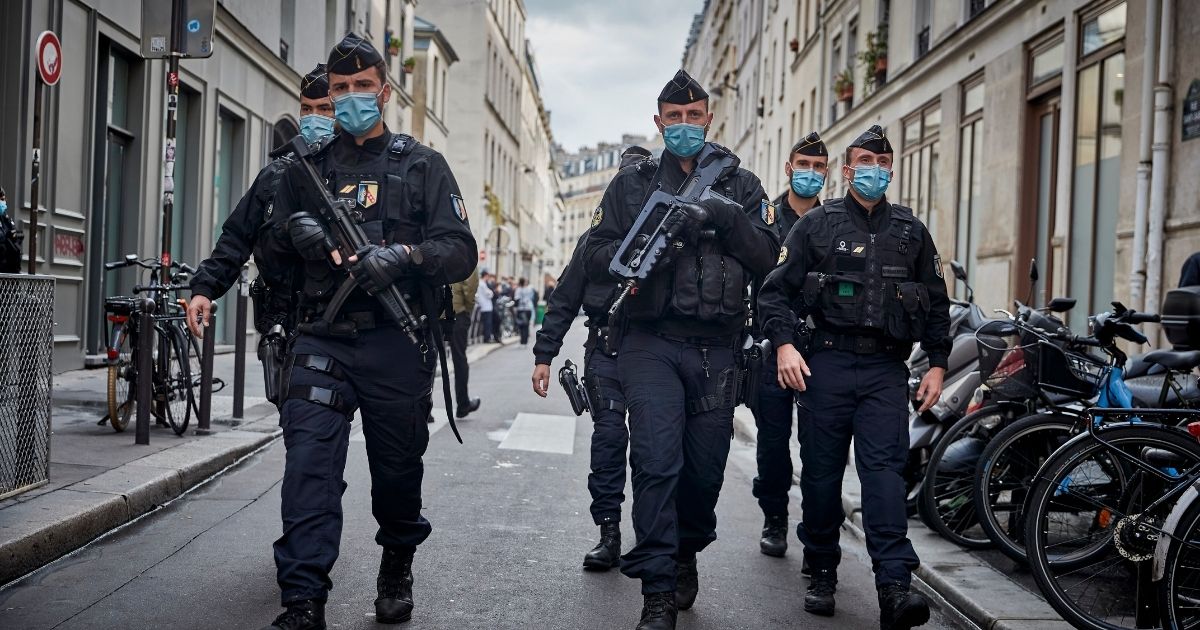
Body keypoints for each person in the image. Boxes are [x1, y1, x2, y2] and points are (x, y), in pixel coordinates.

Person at [251, 33, 477, 630]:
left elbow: (460, 250)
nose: (351, 97)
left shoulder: (422, 164)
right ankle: (303, 599)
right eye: (340, 88)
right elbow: (268, 257)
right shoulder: (303, 168)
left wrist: (403, 256)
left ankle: (396, 561)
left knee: (397, 472)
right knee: (309, 468)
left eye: (361, 87)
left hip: (395, 345)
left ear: (385, 90)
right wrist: (289, 235)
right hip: (321, 337)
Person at [583, 69, 780, 630]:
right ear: (659, 122)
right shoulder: (633, 184)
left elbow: (771, 258)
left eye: (695, 117)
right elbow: (595, 254)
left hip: (718, 350)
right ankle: (657, 593)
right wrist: (647, 245)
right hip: (650, 345)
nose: (685, 127)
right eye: (675, 118)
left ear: (709, 118)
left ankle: (686, 550)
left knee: (702, 475)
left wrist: (724, 215)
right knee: (654, 463)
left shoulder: (740, 184)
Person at [757, 124, 950, 630]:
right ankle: (822, 568)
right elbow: (775, 293)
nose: (874, 171)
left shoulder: (911, 232)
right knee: (820, 477)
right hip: (826, 366)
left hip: (886, 369)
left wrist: (937, 362)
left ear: (891, 170)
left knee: (884, 474)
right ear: (846, 171)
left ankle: (894, 586)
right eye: (865, 161)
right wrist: (784, 347)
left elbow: (936, 300)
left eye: (882, 164)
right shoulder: (816, 225)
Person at [530, 145, 653, 575]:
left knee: (653, 448)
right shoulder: (592, 244)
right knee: (608, 440)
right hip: (604, 350)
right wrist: (545, 354)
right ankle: (608, 532)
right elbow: (563, 300)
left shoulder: (664, 240)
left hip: (649, 355)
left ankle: (651, 535)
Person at [189, 62, 335, 347]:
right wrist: (204, 289)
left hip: (335, 320)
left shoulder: (354, 173)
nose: (313, 117)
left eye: (324, 109)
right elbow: (236, 237)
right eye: (306, 109)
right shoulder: (277, 173)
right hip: (282, 321)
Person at [750, 131, 828, 558]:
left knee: (817, 443)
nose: (810, 174)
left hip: (819, 345)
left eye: (819, 168)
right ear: (788, 168)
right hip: (770, 343)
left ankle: (814, 525)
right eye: (804, 166)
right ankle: (774, 517)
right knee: (773, 441)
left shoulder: (833, 221)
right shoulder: (763, 219)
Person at [449, 270, 482, 418]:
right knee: (459, 359)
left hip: (434, 312)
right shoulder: (465, 250)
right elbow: (470, 286)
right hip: (457, 311)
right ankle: (463, 405)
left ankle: (425, 409)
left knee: (430, 357)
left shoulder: (431, 246)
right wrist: (467, 310)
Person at [0, 187, 23, 274]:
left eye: (4, 199)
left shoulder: (5, 216)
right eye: (1, 199)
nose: (3, 202)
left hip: (11, 269)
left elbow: (16, 233)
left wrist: (14, 235)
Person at [514, 277, 535, 345]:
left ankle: (522, 340)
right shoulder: (529, 289)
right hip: (528, 309)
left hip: (521, 309)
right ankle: (525, 341)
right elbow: (532, 297)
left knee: (521, 325)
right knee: (526, 325)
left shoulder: (518, 290)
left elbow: (516, 299)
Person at [477, 271, 496, 342]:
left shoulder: (480, 283)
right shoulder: (482, 284)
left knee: (485, 323)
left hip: (483, 305)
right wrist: (491, 293)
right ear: (486, 276)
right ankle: (487, 338)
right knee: (487, 323)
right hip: (486, 306)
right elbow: (489, 294)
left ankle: (486, 337)